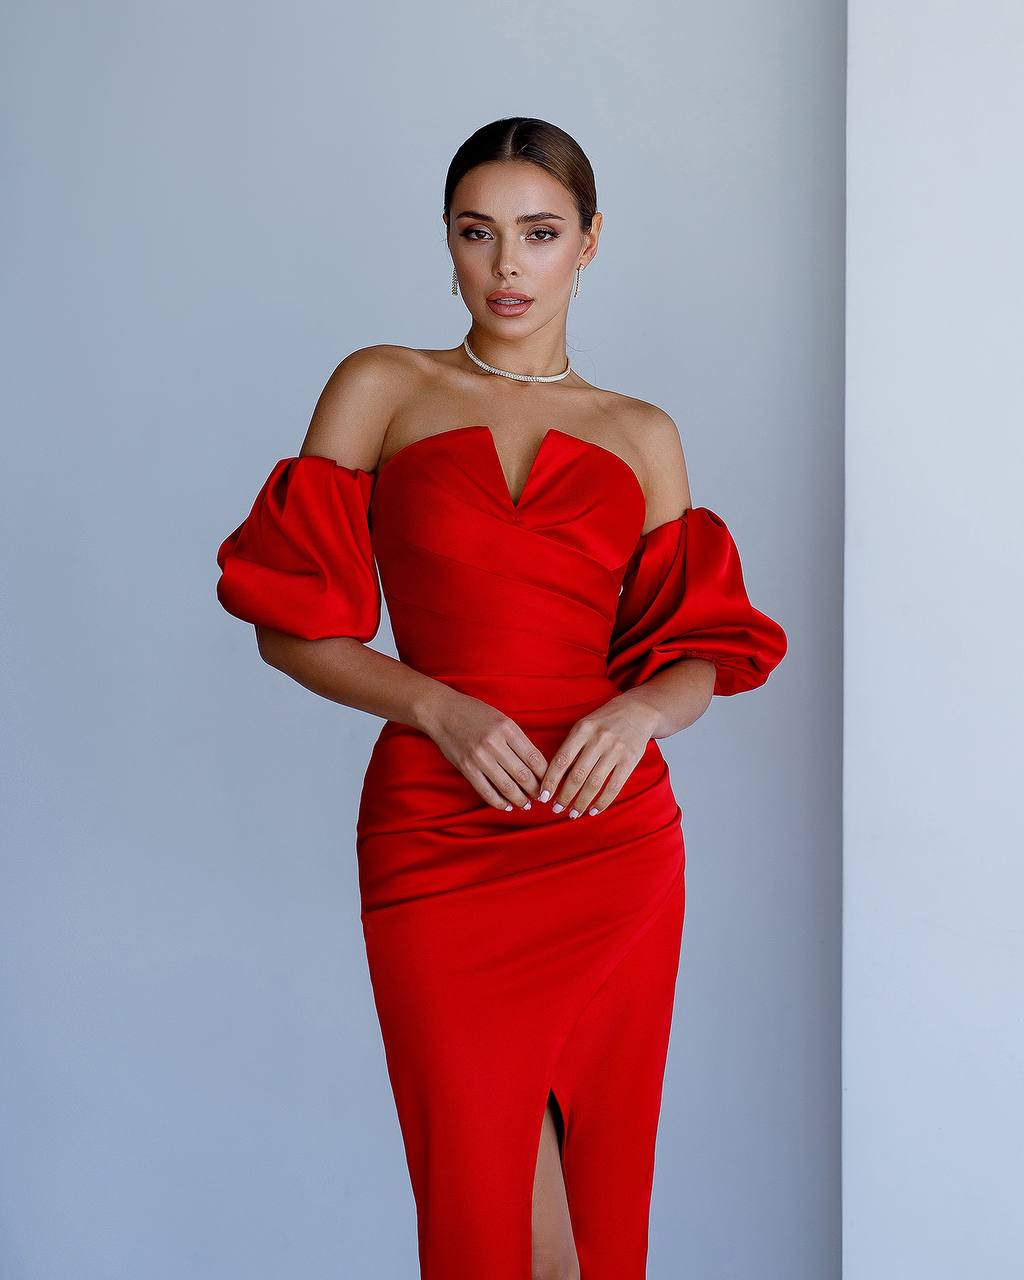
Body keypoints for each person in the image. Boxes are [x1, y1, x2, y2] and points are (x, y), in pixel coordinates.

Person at [215, 116, 788, 1280]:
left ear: (588, 244)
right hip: (437, 835)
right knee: (484, 1198)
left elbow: (698, 647)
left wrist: (639, 713)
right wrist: (436, 706)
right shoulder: (382, 384)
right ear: (449, 242)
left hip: (607, 838)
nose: (507, 264)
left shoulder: (641, 433)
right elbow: (292, 623)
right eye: (478, 234)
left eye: (538, 233)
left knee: (589, 1209)